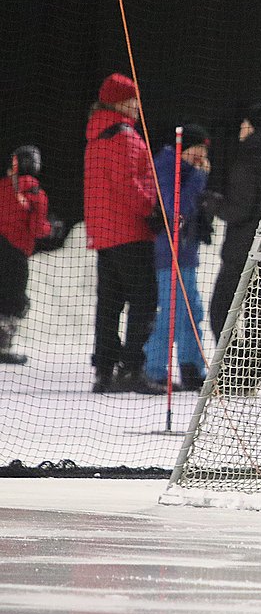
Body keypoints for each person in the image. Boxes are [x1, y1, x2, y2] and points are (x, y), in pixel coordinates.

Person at [84, 73, 162, 394]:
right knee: (145, 300)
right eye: (133, 99)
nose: (137, 106)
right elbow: (131, 183)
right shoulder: (125, 136)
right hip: (129, 230)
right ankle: (131, 368)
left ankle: (104, 370)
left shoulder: (95, 135)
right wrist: (153, 210)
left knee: (110, 303)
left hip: (104, 232)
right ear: (119, 102)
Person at [210, 101, 261, 391]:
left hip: (242, 250)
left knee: (221, 310)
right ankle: (249, 376)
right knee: (257, 315)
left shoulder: (249, 154)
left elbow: (239, 209)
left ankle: (232, 372)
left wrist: (214, 203)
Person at [142, 125, 213, 391]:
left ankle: (191, 367)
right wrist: (198, 178)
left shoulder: (185, 169)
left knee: (191, 310)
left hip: (185, 252)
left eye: (204, 151)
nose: (201, 155)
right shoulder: (167, 165)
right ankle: (153, 368)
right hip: (168, 251)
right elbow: (176, 207)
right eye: (197, 148)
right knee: (170, 310)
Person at [0, 145, 52, 365]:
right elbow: (38, 229)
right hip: (16, 252)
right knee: (14, 300)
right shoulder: (35, 192)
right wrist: (52, 228)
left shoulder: (3, 186)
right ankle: (3, 346)